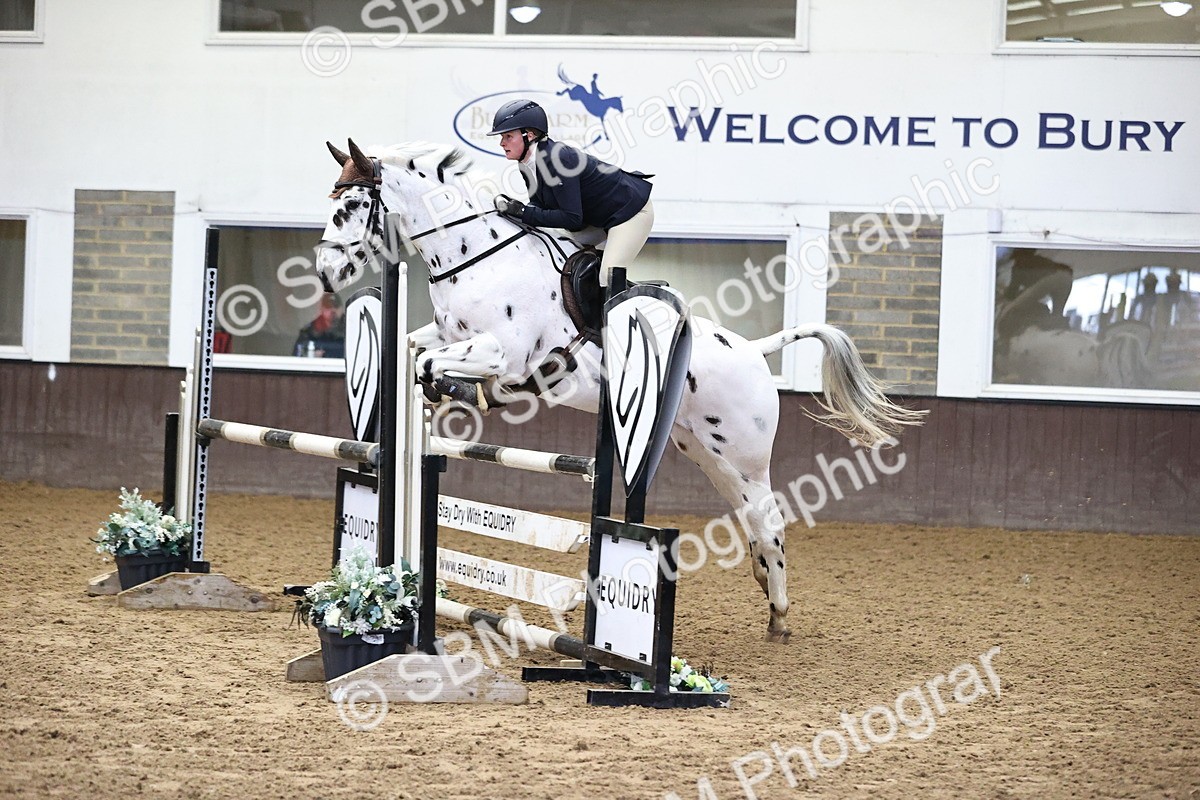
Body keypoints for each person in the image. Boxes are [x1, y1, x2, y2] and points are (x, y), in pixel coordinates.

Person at [488, 99, 653, 286]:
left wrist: (524, 212)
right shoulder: (527, 163)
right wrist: (519, 213)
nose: (502, 143)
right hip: (597, 219)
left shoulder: (558, 158)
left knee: (607, 277)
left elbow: (571, 218)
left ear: (530, 135)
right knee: (558, 252)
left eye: (508, 136)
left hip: (631, 212)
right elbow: (539, 206)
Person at [294, 293, 345, 358]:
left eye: (336, 306)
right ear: (321, 309)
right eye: (328, 307)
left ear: (342, 308)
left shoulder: (351, 327)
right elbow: (297, 356)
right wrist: (311, 356)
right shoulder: (310, 331)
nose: (333, 310)